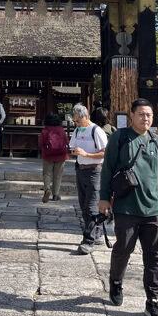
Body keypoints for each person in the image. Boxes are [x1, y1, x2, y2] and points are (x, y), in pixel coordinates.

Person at [99, 98, 158, 316]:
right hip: (126, 207)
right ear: (131, 115)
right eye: (141, 114)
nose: (146, 119)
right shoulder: (119, 139)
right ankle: (116, 282)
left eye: (149, 115)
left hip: (153, 208)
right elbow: (108, 168)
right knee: (123, 249)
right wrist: (103, 199)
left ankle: (153, 301)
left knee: (155, 255)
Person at [69, 102, 108, 254]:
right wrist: (74, 151)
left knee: (91, 206)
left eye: (78, 121)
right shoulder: (78, 130)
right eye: (74, 121)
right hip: (80, 170)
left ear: (85, 117)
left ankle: (88, 240)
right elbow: (72, 145)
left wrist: (86, 154)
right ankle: (95, 232)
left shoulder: (96, 131)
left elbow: (105, 153)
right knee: (84, 205)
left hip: (95, 171)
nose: (76, 124)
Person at [38, 112, 69, 202]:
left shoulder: (45, 130)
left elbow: (40, 143)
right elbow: (66, 141)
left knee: (47, 174)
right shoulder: (61, 130)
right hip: (61, 155)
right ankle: (56, 194)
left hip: (48, 155)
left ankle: (47, 189)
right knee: (58, 175)